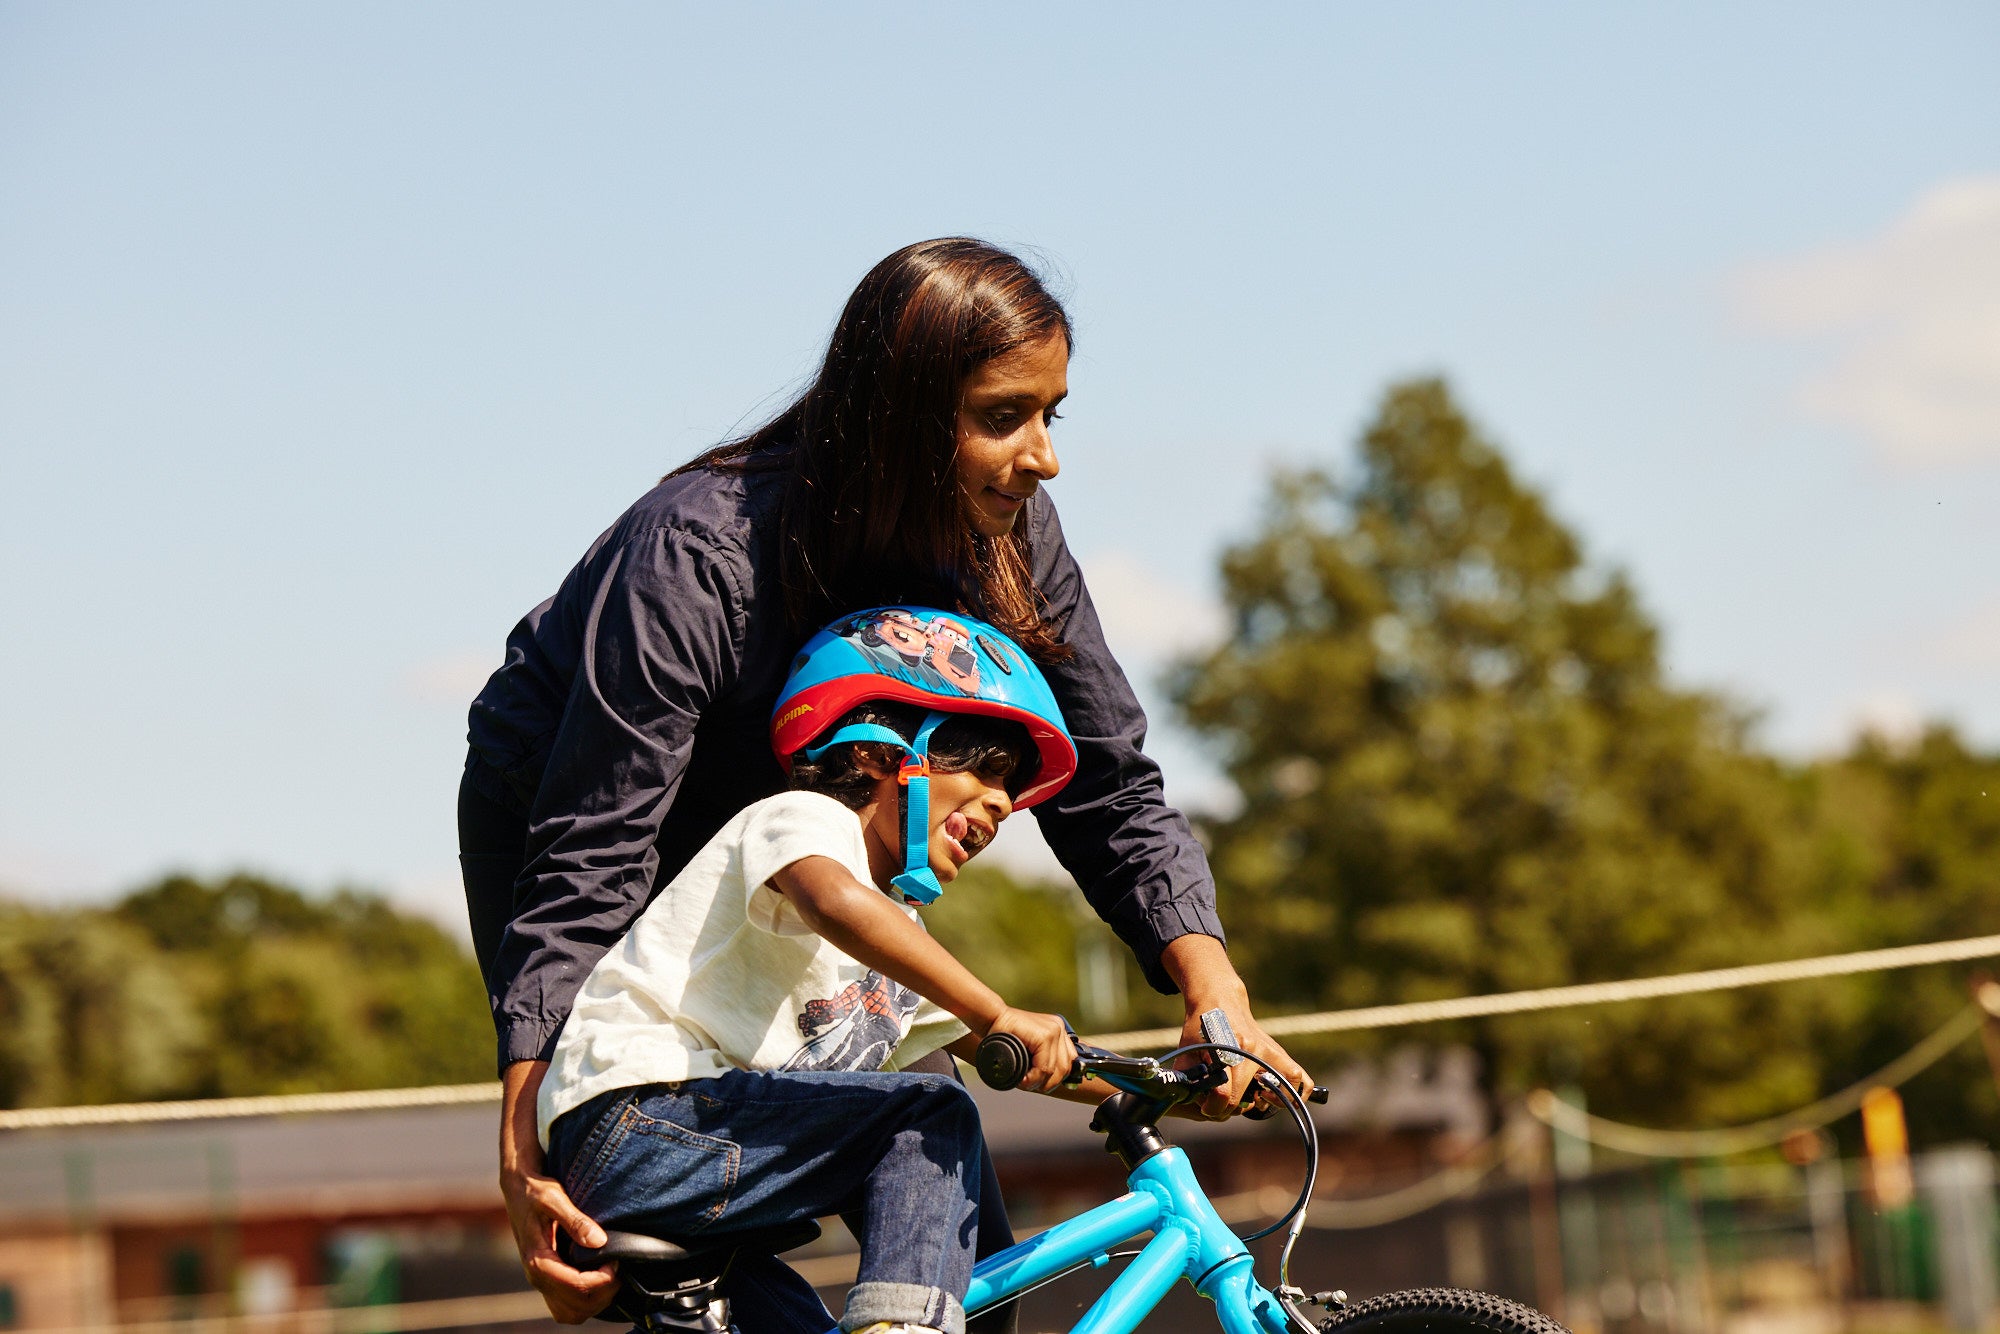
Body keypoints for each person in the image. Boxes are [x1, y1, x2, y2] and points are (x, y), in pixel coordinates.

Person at [458, 237, 1310, 1323]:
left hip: (814, 830)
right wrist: (525, 1149)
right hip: (590, 811)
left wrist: (1212, 992)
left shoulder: (1011, 538)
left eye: (1055, 413)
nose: (1043, 456)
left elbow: (1108, 781)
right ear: (899, 419)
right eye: (1005, 415)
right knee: (669, 1243)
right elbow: (590, 856)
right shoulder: (698, 551)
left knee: (948, 1216)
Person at [541, 608, 1105, 1334]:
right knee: (932, 1114)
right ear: (878, 755)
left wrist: (1195, 1085)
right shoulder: (803, 818)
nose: (1002, 804)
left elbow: (1032, 1060)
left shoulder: (895, 944)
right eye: (985, 768)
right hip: (642, 1117)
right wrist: (996, 1011)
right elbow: (834, 901)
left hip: (687, 1167)